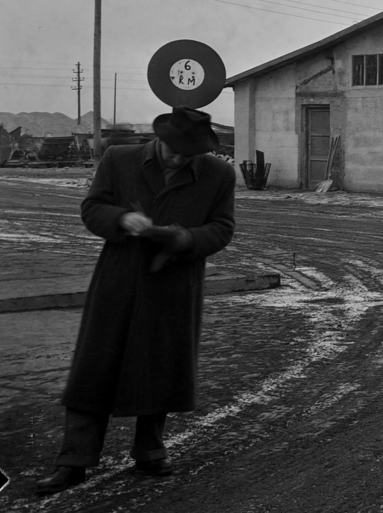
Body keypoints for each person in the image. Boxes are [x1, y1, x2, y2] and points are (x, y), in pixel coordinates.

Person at [35, 107, 236, 495]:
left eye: (187, 154)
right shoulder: (119, 159)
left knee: (159, 364)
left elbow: (223, 227)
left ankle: (150, 450)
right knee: (95, 366)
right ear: (158, 139)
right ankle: (73, 460)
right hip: (119, 276)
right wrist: (123, 219)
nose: (178, 159)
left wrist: (186, 240)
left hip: (174, 281)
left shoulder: (219, 174)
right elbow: (92, 208)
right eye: (173, 150)